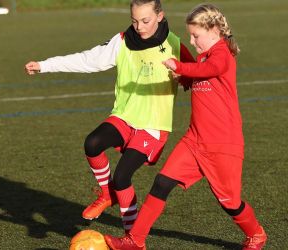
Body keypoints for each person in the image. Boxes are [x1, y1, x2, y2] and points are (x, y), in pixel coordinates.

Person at [104, 3, 267, 250]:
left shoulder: (221, 53)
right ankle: (134, 240)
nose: (191, 41)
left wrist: (179, 66)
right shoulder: (203, 55)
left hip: (222, 144)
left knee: (230, 203)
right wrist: (187, 78)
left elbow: (213, 69)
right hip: (194, 140)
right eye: (190, 35)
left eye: (195, 35)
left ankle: (256, 234)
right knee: (161, 182)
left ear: (213, 30)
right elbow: (203, 74)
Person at [25, 0, 194, 232]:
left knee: (122, 176)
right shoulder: (123, 41)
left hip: (152, 126)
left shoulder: (175, 45)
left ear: (160, 16)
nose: (139, 27)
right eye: (134, 21)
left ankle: (132, 237)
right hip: (124, 117)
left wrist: (184, 77)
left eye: (145, 21)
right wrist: (45, 66)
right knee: (92, 143)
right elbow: (88, 60)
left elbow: (199, 77)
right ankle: (106, 195)